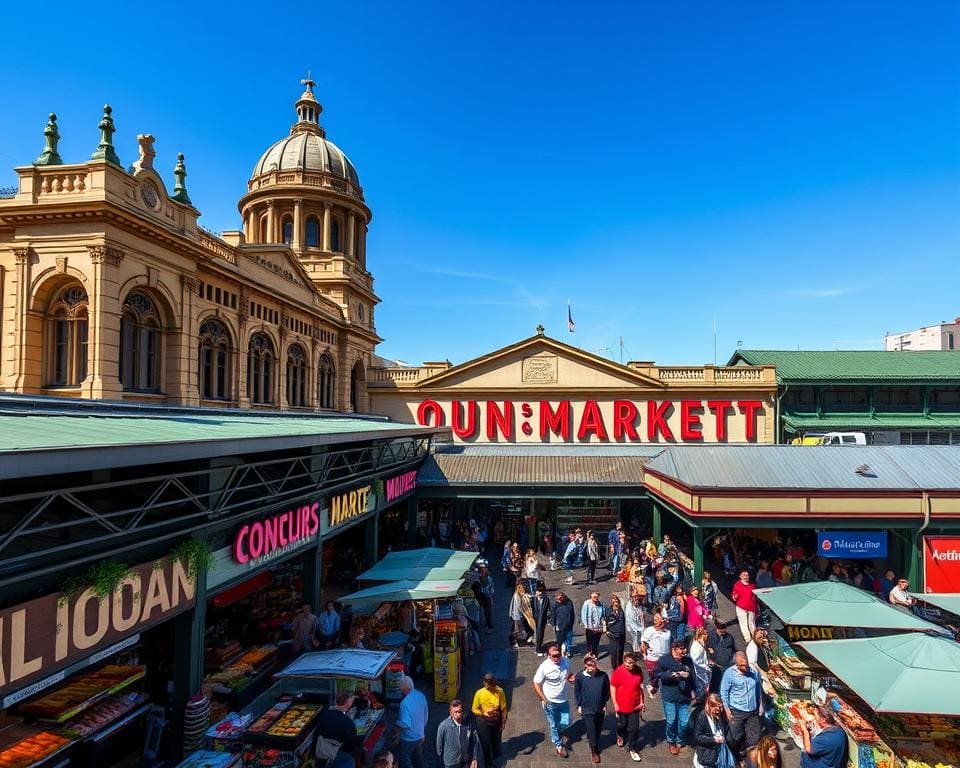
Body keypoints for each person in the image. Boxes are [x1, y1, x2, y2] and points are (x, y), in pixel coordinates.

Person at [533, 642, 577, 758]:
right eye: (553, 656)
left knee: (565, 721)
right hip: (550, 701)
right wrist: (543, 698)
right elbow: (536, 683)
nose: (556, 658)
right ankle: (558, 745)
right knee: (553, 724)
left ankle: (558, 732)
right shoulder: (544, 667)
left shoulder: (566, 662)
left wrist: (571, 678)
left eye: (558, 655)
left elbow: (569, 674)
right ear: (548, 655)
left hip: (563, 699)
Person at [655, 639, 696, 755]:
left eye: (684, 648)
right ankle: (671, 741)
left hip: (684, 696)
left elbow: (693, 676)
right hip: (670, 695)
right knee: (671, 720)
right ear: (674, 649)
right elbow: (657, 674)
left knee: (684, 722)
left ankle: (680, 739)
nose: (684, 651)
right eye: (682, 648)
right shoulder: (664, 660)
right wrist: (672, 675)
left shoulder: (688, 661)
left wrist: (694, 690)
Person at [720, 651, 762, 759]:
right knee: (735, 737)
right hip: (737, 710)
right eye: (741, 665)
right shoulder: (729, 673)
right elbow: (724, 692)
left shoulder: (753, 671)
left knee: (754, 738)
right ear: (736, 664)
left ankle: (746, 754)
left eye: (746, 664)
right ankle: (734, 757)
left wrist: (760, 704)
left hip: (752, 710)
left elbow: (758, 688)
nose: (745, 667)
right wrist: (727, 710)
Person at [610, 651, 646, 762]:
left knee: (634, 728)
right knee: (622, 725)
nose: (630, 665)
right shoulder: (618, 672)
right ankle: (620, 734)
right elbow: (613, 687)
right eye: (628, 663)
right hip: (622, 705)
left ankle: (633, 748)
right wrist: (615, 703)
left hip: (635, 705)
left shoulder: (638, 671)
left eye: (632, 663)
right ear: (624, 661)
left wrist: (642, 702)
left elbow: (639, 688)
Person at [574, 654, 611, 764]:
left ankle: (595, 741)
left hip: (599, 707)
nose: (591, 667)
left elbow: (606, 691)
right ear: (585, 665)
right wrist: (579, 705)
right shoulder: (580, 676)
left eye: (593, 665)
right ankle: (594, 750)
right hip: (587, 707)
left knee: (598, 727)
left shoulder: (603, 676)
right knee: (591, 728)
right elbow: (577, 691)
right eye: (588, 665)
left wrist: (604, 703)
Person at [314, 690, 362, 768]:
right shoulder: (347, 723)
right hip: (332, 755)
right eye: (352, 700)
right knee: (350, 760)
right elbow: (351, 745)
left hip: (318, 751)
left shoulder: (324, 711)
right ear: (348, 701)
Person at [471, 673, 507, 768]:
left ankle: (494, 757)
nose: (488, 688)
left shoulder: (500, 691)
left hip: (496, 721)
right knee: (485, 744)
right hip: (483, 722)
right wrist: (484, 714)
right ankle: (488, 764)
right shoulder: (479, 693)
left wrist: (503, 723)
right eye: (486, 685)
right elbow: (474, 708)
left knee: (495, 742)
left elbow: (503, 708)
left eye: (490, 686)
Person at [393, 676, 428, 768]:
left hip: (408, 738)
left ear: (403, 689)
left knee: (405, 759)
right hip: (420, 734)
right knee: (418, 758)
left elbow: (405, 723)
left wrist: (397, 732)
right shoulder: (421, 695)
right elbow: (426, 715)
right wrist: (422, 731)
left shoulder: (404, 703)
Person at [436, 699, 481, 768]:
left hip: (466, 760)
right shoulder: (444, 726)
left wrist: (474, 758)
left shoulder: (468, 724)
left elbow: (475, 741)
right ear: (450, 712)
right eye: (455, 712)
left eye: (459, 711)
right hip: (451, 762)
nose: (457, 714)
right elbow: (439, 747)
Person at [693, 693, 731, 768]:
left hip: (717, 755)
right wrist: (714, 739)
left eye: (720, 707)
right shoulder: (702, 716)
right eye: (716, 707)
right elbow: (697, 737)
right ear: (710, 705)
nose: (718, 710)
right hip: (706, 756)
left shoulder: (719, 715)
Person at [640, 613, 672, 697]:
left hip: (664, 659)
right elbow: (644, 643)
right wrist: (644, 655)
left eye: (658, 618)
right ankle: (651, 686)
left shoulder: (668, 632)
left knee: (663, 676)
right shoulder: (649, 630)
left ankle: (661, 689)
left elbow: (669, 644)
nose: (656, 620)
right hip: (652, 659)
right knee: (654, 676)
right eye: (655, 619)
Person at [708, 620, 737, 691]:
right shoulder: (710, 636)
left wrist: (732, 658)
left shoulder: (729, 636)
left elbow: (733, 648)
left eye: (724, 630)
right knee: (715, 685)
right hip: (716, 665)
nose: (723, 633)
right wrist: (712, 660)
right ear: (717, 628)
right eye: (721, 631)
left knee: (726, 685)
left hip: (727, 664)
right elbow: (708, 649)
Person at [731, 570, 758, 644]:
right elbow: (734, 595)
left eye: (747, 575)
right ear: (740, 576)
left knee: (752, 624)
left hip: (751, 608)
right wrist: (735, 596)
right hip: (741, 608)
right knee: (744, 624)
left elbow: (755, 597)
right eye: (744, 575)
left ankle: (755, 638)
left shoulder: (752, 585)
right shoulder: (737, 584)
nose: (746, 576)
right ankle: (748, 640)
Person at [581, 591, 607, 658]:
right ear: (591, 596)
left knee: (596, 642)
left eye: (597, 597)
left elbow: (603, 615)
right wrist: (586, 625)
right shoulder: (587, 603)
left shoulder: (601, 604)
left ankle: (595, 654)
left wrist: (604, 626)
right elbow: (584, 614)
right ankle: (589, 653)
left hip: (598, 627)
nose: (595, 598)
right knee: (589, 642)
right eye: (594, 597)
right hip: (589, 627)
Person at [689, 626, 712, 701]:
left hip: (704, 668)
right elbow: (696, 662)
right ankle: (700, 698)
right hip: (700, 670)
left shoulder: (702, 643)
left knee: (706, 685)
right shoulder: (696, 648)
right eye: (705, 634)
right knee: (702, 685)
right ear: (701, 635)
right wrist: (707, 667)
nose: (707, 636)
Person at [606, 594, 626, 669]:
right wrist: (607, 631)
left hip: (621, 634)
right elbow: (607, 621)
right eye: (614, 602)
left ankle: (620, 665)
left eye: (617, 601)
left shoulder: (621, 611)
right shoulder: (609, 611)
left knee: (620, 650)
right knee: (614, 651)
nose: (615, 603)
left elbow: (622, 623)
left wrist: (623, 634)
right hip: (612, 634)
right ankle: (614, 666)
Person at [531, 583, 552, 656]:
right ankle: (538, 648)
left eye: (541, 591)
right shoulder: (533, 599)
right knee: (537, 633)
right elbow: (531, 609)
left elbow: (549, 609)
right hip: (535, 619)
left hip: (542, 619)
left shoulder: (546, 599)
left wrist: (549, 619)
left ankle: (539, 647)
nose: (539, 593)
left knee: (541, 633)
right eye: (538, 591)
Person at [553, 591, 575, 657]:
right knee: (560, 640)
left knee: (569, 639)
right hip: (559, 625)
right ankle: (560, 651)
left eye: (561, 598)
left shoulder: (569, 603)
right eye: (558, 599)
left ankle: (569, 651)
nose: (559, 600)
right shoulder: (554, 604)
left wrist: (572, 622)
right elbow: (553, 615)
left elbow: (572, 614)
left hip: (568, 624)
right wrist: (554, 624)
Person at [509, 582, 527, 650]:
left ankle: (516, 642)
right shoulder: (517, 595)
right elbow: (518, 606)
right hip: (517, 615)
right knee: (516, 630)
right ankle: (514, 643)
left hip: (517, 614)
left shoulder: (518, 594)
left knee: (517, 629)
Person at [476, 565, 495, 632]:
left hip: (484, 596)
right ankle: (488, 623)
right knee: (487, 611)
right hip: (486, 596)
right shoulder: (488, 579)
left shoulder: (480, 579)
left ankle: (487, 623)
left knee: (485, 611)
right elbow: (492, 589)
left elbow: (491, 589)